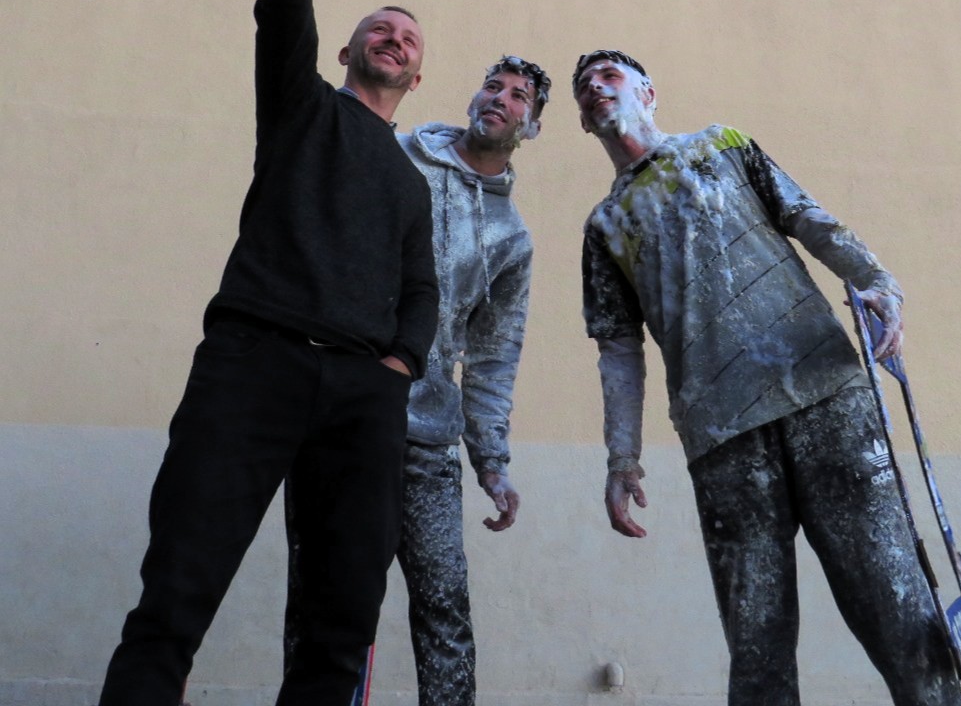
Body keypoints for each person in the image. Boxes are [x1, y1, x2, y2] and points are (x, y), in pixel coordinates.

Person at [97, 0, 439, 706]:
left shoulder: (413, 183)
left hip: (362, 396)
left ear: (417, 77)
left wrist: (398, 368)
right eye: (379, 28)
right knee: (178, 588)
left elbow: (421, 288)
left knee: (341, 621)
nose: (393, 38)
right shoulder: (301, 106)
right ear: (347, 51)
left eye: (408, 38)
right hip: (254, 363)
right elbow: (282, 8)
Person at [573, 49, 961, 706]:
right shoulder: (605, 225)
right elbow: (618, 350)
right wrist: (622, 458)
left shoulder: (723, 144)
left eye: (609, 76)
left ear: (649, 92)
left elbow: (805, 215)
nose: (594, 88)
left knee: (898, 610)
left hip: (826, 397)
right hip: (721, 438)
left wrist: (877, 282)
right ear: (583, 121)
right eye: (584, 87)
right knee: (757, 647)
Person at [285, 54, 550, 705]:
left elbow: (491, 358)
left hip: (428, 439)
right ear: (473, 98)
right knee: (325, 597)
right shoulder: (397, 155)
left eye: (519, 96)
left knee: (444, 602)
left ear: (531, 126)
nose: (500, 98)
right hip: (344, 413)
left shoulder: (511, 237)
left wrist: (492, 462)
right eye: (493, 85)